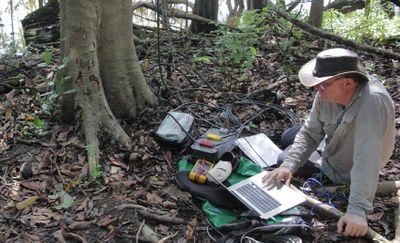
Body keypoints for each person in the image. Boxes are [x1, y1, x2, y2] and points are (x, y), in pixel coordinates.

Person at [262, 48, 396, 237]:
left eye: (322, 84)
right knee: (288, 139)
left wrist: (357, 211)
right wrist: (289, 166)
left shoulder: (372, 102)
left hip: (345, 163)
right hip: (331, 140)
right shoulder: (328, 89)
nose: (317, 88)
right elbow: (310, 131)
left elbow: (367, 159)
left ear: (348, 83)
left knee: (283, 155)